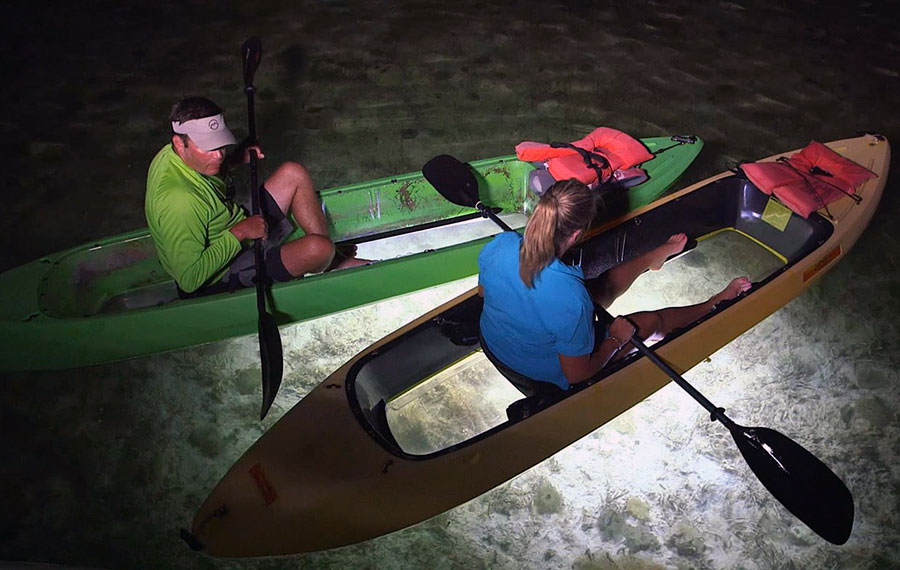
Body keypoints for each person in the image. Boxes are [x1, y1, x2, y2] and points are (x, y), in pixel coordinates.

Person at [478, 178, 751, 391]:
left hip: (491, 342)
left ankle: (652, 258)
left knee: (602, 288)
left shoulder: (500, 245)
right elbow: (578, 375)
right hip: (542, 373)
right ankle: (714, 303)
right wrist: (615, 339)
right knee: (648, 321)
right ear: (575, 235)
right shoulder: (570, 296)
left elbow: (484, 293)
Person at [145, 96, 364, 297]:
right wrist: (241, 232)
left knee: (292, 173)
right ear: (178, 143)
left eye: (219, 144)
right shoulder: (179, 201)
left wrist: (235, 159)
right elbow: (189, 280)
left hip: (233, 225)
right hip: (221, 274)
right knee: (320, 248)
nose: (218, 155)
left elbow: (208, 177)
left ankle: (325, 260)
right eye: (207, 147)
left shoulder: (173, 156)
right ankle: (325, 258)